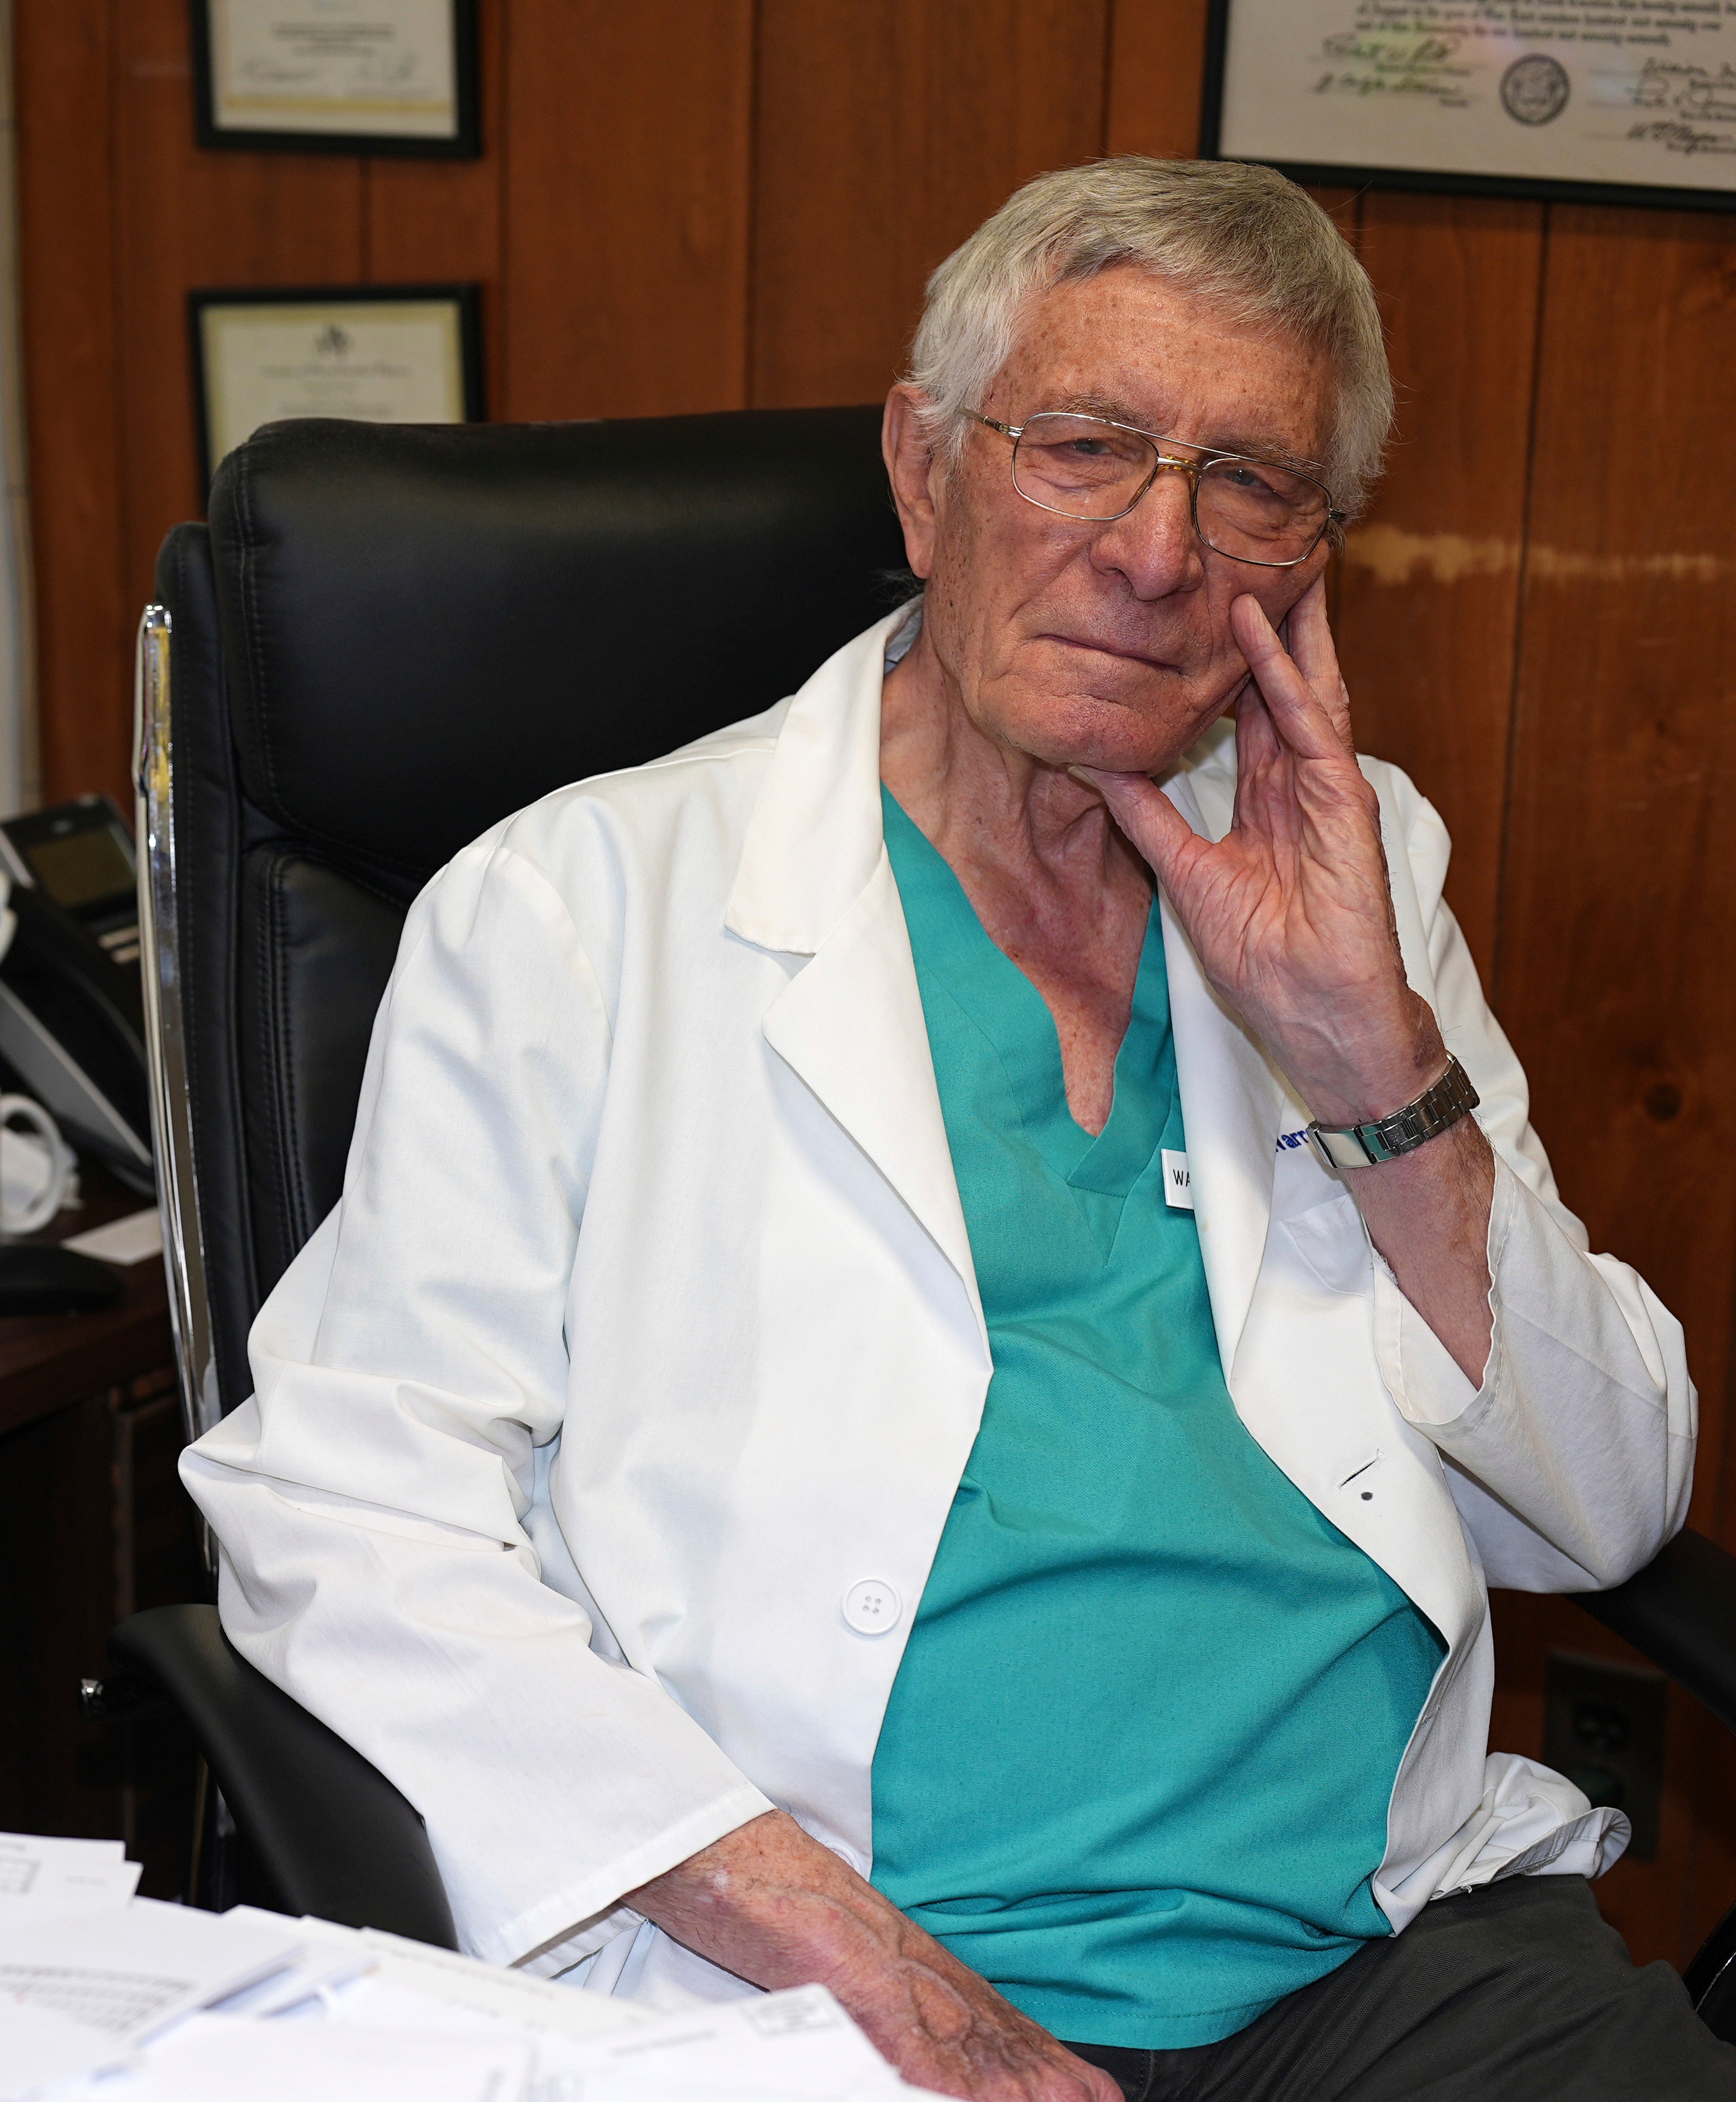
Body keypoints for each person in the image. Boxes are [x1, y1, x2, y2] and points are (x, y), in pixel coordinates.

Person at [180, 157, 1719, 2101]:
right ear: (924, 475)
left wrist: (1364, 1058)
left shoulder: (1354, 869)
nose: (1159, 554)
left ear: (1310, 560)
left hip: (1377, 1953)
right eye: (1084, 445)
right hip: (847, 1980)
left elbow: (1609, 1497)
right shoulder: (584, 907)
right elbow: (339, 1508)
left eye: (1249, 482)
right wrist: (853, 1965)